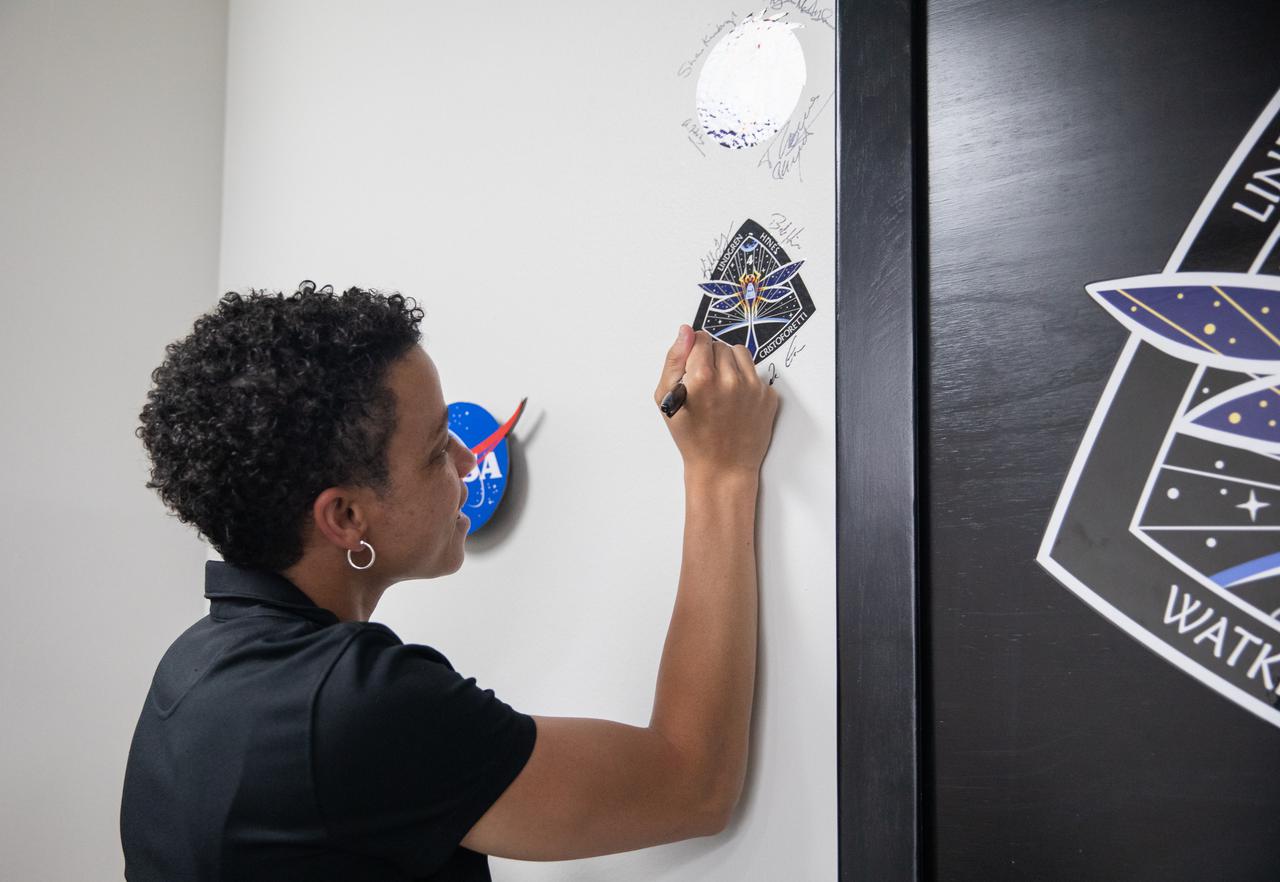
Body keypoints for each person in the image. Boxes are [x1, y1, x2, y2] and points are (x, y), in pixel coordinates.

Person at [121, 282, 778, 880]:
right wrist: (720, 474)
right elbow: (691, 783)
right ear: (346, 516)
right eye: (438, 449)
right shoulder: (353, 706)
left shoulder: (189, 669)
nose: (468, 459)